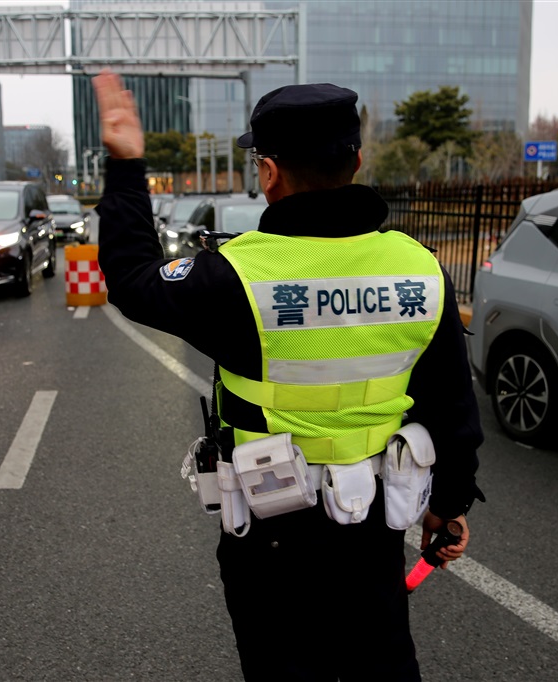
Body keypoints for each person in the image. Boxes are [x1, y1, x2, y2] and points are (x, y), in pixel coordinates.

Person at [92, 70, 484, 681]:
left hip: (270, 538)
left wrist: (126, 166)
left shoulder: (235, 277)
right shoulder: (420, 271)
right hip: (372, 528)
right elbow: (452, 406)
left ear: (269, 172)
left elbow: (131, 278)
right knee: (383, 668)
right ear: (356, 161)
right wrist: (449, 506)